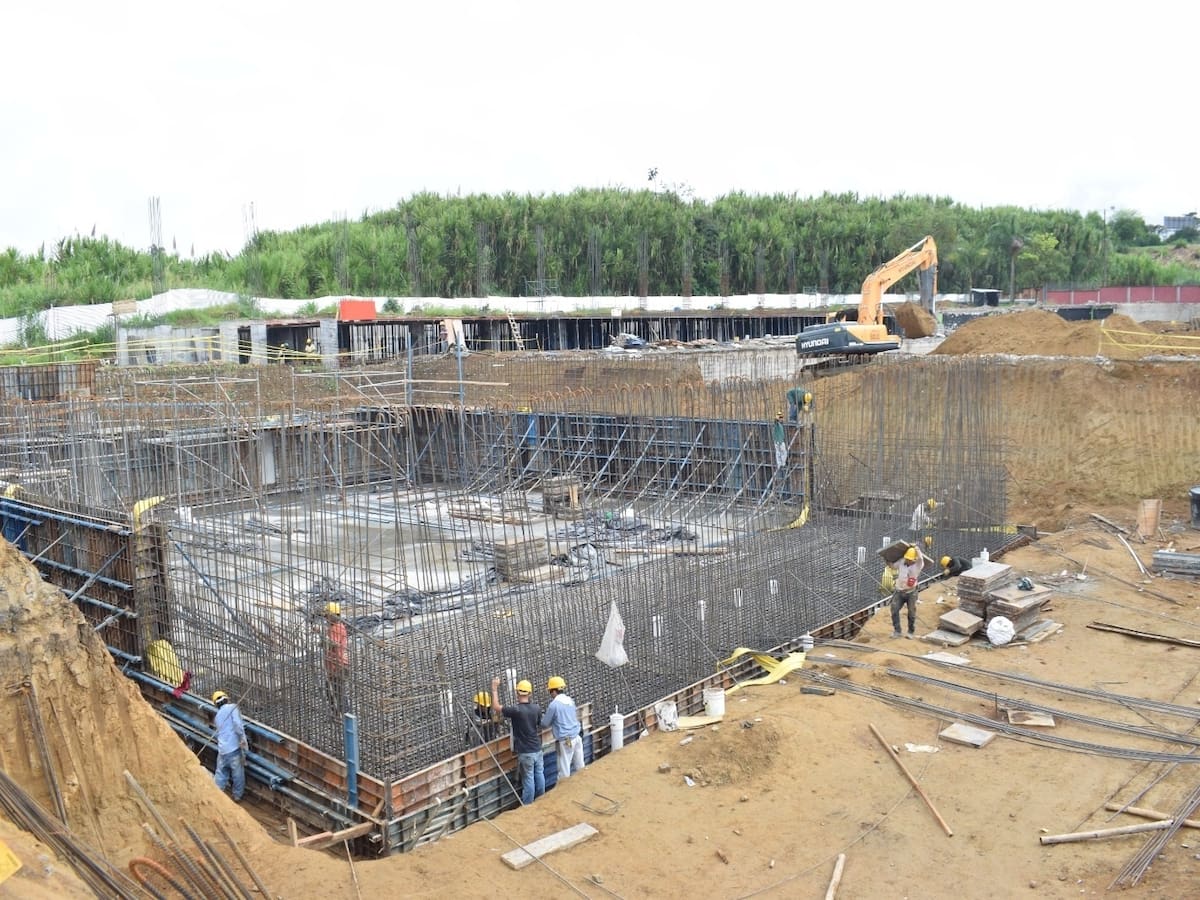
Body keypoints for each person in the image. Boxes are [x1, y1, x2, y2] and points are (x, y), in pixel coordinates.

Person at [492, 675, 545, 805]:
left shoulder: (516, 710)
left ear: (517, 693)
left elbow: (496, 707)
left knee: (528, 779)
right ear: (530, 693)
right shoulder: (536, 708)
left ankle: (528, 806)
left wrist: (494, 689)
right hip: (537, 748)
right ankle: (542, 800)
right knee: (539, 774)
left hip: (525, 751)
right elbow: (540, 724)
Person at [542, 675, 584, 780]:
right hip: (576, 736)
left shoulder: (554, 705)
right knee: (580, 766)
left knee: (564, 770)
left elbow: (544, 724)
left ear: (553, 691)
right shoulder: (570, 700)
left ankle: (563, 789)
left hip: (566, 740)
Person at [211, 690, 247, 801]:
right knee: (238, 774)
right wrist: (242, 739)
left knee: (221, 774)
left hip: (222, 750)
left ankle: (216, 794)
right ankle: (237, 796)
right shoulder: (232, 708)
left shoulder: (217, 716)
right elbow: (237, 724)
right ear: (226, 699)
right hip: (234, 749)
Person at [889, 546, 925, 639]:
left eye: (910, 559)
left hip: (911, 592)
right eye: (907, 559)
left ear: (914, 559)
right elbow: (893, 566)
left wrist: (917, 549)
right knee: (894, 609)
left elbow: (921, 559)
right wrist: (887, 560)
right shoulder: (902, 561)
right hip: (899, 591)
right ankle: (897, 631)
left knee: (911, 613)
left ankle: (910, 631)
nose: (908, 561)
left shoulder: (917, 565)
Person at [324, 602, 349, 713]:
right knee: (332, 691)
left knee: (339, 695)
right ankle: (338, 714)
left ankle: (344, 716)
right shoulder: (336, 627)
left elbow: (333, 643)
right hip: (335, 666)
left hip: (338, 666)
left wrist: (322, 640)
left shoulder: (336, 628)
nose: (326, 618)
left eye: (327, 616)